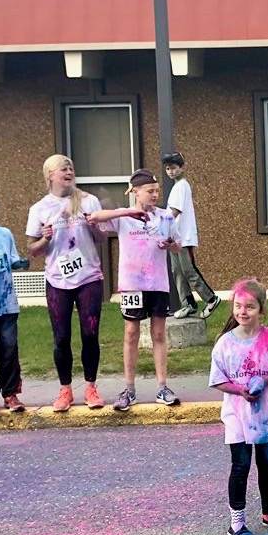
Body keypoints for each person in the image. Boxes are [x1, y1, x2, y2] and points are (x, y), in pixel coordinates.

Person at [26, 155, 128, 412]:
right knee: (61, 337)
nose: (69, 171)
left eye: (71, 167)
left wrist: (94, 224)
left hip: (88, 277)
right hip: (57, 280)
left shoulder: (88, 201)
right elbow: (33, 250)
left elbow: (101, 239)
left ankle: (91, 388)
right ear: (50, 175)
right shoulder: (40, 208)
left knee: (90, 334)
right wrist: (45, 238)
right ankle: (65, 390)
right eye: (63, 168)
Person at [209, 278, 268, 535]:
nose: (242, 312)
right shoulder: (225, 343)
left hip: (265, 417)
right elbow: (217, 380)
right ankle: (237, 522)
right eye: (238, 306)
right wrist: (240, 390)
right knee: (241, 465)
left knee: (266, 463)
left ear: (261, 310)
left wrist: (266, 380)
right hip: (237, 415)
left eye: (250, 307)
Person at [88, 169, 183, 411]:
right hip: (131, 284)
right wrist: (129, 211)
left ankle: (162, 387)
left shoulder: (165, 217)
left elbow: (178, 247)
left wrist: (171, 244)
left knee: (159, 334)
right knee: (131, 333)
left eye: (156, 191)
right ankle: (129, 389)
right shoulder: (123, 217)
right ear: (135, 192)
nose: (154, 195)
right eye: (149, 191)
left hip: (158, 283)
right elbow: (94, 217)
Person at [161, 152, 221, 320]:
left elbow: (175, 211)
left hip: (183, 237)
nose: (170, 172)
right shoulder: (176, 186)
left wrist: (160, 229)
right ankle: (188, 304)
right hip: (174, 238)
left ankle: (211, 299)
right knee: (177, 272)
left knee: (188, 270)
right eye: (167, 169)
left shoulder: (181, 186)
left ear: (181, 167)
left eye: (173, 168)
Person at [0, 200, 28, 414]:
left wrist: (22, 263)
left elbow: (13, 260)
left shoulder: (4, 234)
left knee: (8, 350)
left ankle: (10, 394)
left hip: (7, 305)